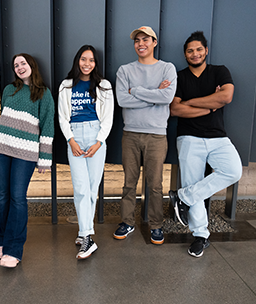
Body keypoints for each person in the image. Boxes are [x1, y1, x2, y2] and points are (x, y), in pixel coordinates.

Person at [169, 31, 242, 257]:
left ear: (206, 51)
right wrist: (210, 105)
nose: (195, 53)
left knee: (233, 171)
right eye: (190, 50)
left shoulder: (220, 71)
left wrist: (191, 103)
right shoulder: (180, 77)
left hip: (218, 137)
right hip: (189, 137)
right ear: (185, 54)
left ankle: (182, 197)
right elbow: (174, 109)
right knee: (194, 182)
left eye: (199, 49)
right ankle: (200, 235)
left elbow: (226, 97)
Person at [114, 26, 177, 244]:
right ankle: (127, 221)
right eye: (137, 40)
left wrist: (137, 91)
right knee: (129, 182)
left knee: (156, 184)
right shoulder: (124, 71)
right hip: (130, 134)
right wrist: (154, 95)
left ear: (154, 42)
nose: (141, 44)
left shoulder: (167, 68)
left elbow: (167, 97)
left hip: (157, 135)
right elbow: (122, 100)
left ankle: (156, 225)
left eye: (145, 40)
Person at [0, 53, 54, 268]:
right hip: (1, 149)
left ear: (31, 65)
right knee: (3, 196)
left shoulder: (44, 94)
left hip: (25, 153)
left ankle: (14, 249)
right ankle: (4, 241)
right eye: (16, 65)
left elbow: (47, 126)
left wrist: (45, 157)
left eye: (23, 63)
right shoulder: (9, 90)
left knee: (18, 197)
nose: (19, 67)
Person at [58, 45, 114, 259]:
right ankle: (87, 236)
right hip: (75, 137)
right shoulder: (66, 86)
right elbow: (63, 117)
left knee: (91, 189)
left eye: (91, 60)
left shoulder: (104, 86)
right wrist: (70, 140)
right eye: (83, 59)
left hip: (95, 136)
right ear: (77, 61)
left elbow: (108, 117)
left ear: (95, 63)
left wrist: (99, 142)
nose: (87, 64)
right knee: (81, 188)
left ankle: (84, 234)